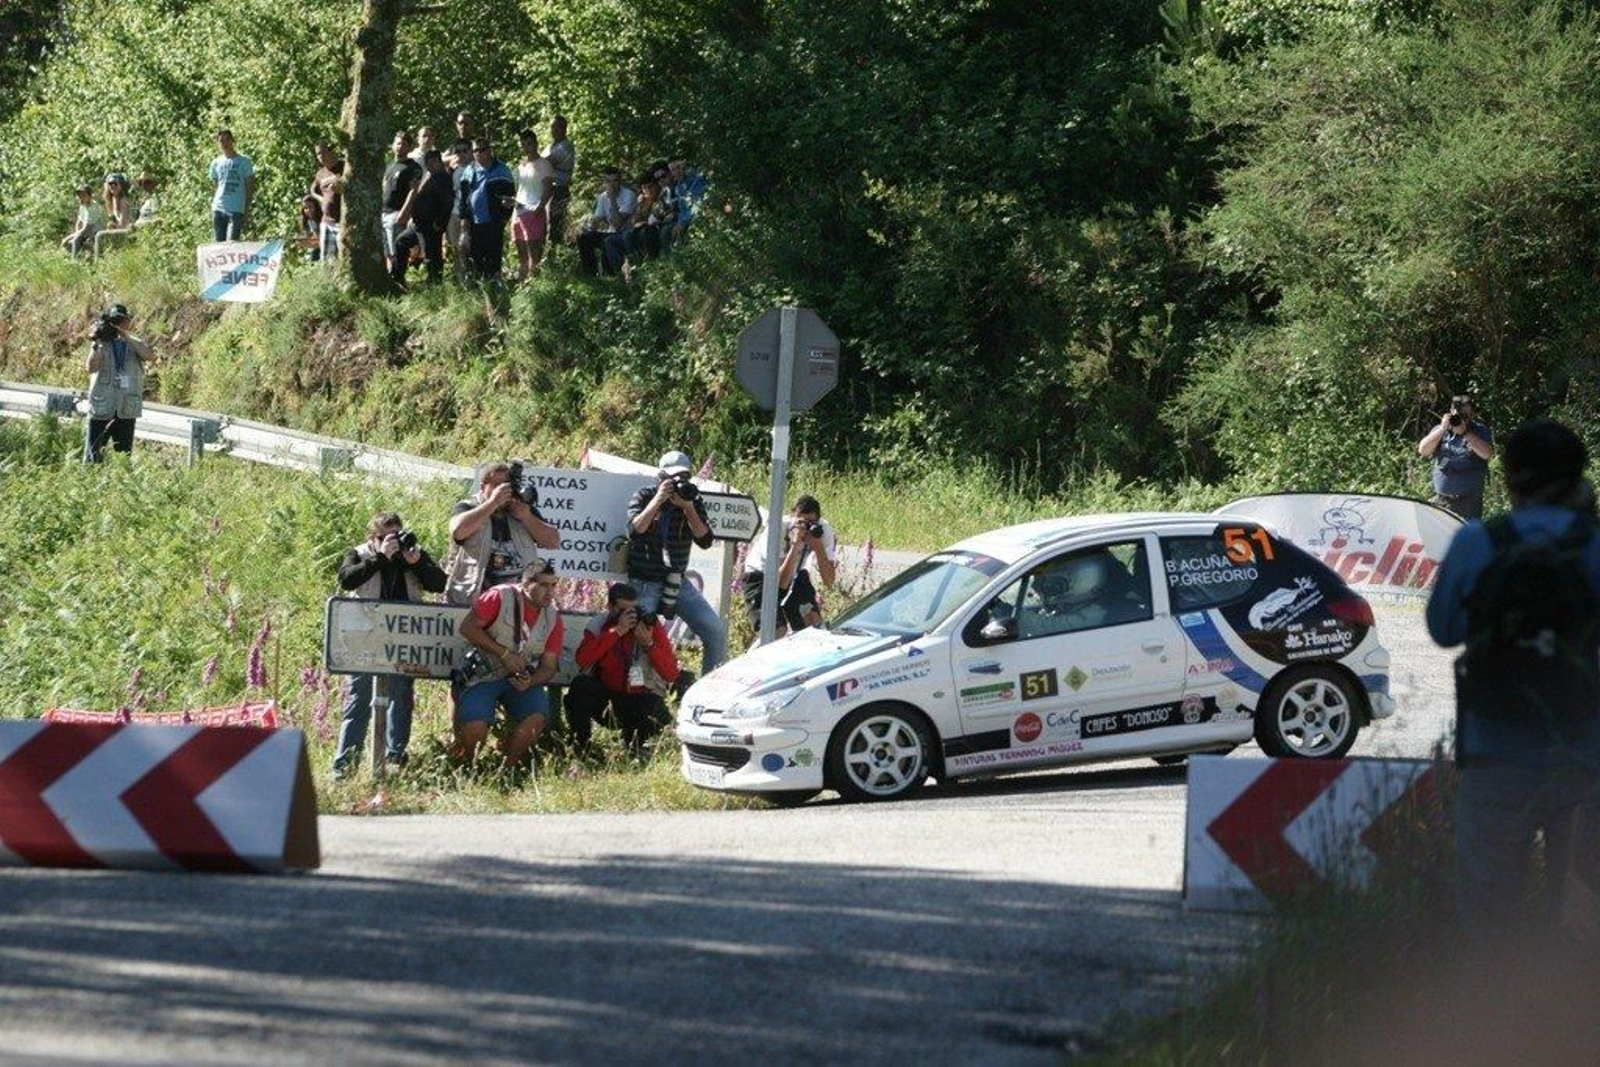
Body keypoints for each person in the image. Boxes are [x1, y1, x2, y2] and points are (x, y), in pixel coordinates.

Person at [1426, 417, 1600, 950]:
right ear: (1577, 479)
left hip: (1493, 755)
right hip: (1583, 759)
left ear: (1509, 479)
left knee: (1490, 922)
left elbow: (1443, 630)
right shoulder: (1594, 546)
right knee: (1581, 918)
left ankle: (1495, 1014)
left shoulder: (1478, 542)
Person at [332, 512, 447, 777]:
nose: (394, 542)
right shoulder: (360, 553)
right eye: (386, 537)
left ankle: (394, 760)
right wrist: (379, 558)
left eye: (396, 535)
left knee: (401, 697)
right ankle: (344, 768)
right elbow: (347, 578)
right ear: (373, 538)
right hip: (364, 637)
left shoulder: (412, 554)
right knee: (358, 700)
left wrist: (417, 563)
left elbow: (439, 583)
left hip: (403, 639)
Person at [455, 560, 564, 774]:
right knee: (475, 725)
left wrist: (530, 681)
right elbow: (467, 628)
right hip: (484, 673)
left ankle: (508, 770)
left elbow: (549, 667)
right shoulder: (500, 596)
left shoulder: (553, 618)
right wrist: (504, 654)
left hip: (520, 680)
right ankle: (470, 770)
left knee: (537, 717)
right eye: (543, 585)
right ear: (526, 584)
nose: (550, 592)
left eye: (554, 585)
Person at [625, 450, 727, 673]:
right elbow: (635, 530)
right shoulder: (644, 495)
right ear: (661, 477)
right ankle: (637, 695)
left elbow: (705, 540)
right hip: (644, 580)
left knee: (716, 632)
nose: (679, 482)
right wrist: (658, 499)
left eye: (684, 477)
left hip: (676, 581)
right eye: (673, 478)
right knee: (640, 640)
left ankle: (709, 693)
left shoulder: (692, 500)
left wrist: (688, 507)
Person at [567, 582, 679, 755]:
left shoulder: (650, 625)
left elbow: (671, 674)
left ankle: (636, 747)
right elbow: (582, 660)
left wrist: (649, 645)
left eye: (634, 609)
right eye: (623, 610)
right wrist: (617, 631)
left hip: (639, 698)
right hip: (608, 698)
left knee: (657, 711)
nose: (630, 615)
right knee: (580, 687)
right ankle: (581, 746)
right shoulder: (600, 624)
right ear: (610, 607)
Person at [443, 462, 561, 606]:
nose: (502, 490)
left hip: (516, 602)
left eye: (506, 485)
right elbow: (458, 531)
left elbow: (553, 541)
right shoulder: (468, 507)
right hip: (472, 599)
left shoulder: (520, 509)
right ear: (482, 487)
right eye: (496, 485)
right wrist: (493, 503)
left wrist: (527, 517)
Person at [742, 495, 839, 640]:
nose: (806, 528)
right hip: (760, 576)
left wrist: (818, 547)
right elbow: (780, 584)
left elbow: (829, 581)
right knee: (775, 632)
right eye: (801, 522)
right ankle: (752, 659)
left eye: (811, 523)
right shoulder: (779, 528)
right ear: (792, 517)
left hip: (794, 573)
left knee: (814, 625)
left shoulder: (822, 531)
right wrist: (795, 546)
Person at [82, 304, 149, 462]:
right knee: (93, 457)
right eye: (115, 321)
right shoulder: (101, 343)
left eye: (122, 320)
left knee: (124, 458)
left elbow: (149, 355)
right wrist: (96, 343)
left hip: (126, 408)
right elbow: (91, 368)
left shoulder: (134, 343)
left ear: (128, 321)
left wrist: (126, 336)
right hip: (102, 408)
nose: (119, 324)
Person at [1418, 393, 1494, 520]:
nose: (1462, 419)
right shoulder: (1441, 430)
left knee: (1466, 539)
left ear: (1471, 413)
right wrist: (1442, 429)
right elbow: (1423, 450)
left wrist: (1465, 433)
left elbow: (1486, 454)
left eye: (1465, 415)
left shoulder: (1479, 430)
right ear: (1451, 412)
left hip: (1468, 504)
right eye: (1459, 415)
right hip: (1441, 501)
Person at [456, 138, 516, 282]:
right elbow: (463, 201)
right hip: (474, 225)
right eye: (475, 150)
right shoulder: (468, 171)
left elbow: (510, 198)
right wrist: (464, 227)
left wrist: (501, 220)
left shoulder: (502, 170)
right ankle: (482, 293)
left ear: (490, 150)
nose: (478, 153)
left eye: (482, 150)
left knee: (493, 261)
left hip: (494, 223)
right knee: (476, 261)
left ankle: (497, 293)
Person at [391, 149, 452, 285]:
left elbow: (447, 203)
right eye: (429, 162)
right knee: (401, 242)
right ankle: (397, 278)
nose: (432, 164)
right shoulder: (428, 176)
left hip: (431, 224)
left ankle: (435, 286)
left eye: (435, 161)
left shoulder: (444, 178)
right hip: (417, 223)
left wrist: (440, 223)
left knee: (431, 255)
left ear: (440, 162)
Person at [511, 128, 554, 281]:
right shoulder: (521, 166)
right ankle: (523, 287)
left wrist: (540, 207)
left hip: (534, 212)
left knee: (534, 254)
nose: (527, 147)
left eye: (529, 143)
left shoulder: (543, 164)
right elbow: (520, 189)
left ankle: (535, 288)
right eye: (523, 144)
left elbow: (549, 189)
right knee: (521, 254)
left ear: (535, 143)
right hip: (518, 212)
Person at [577, 168, 636, 276]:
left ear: (620, 181)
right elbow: (597, 218)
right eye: (608, 181)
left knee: (609, 240)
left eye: (615, 181)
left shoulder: (629, 195)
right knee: (583, 237)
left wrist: (613, 200)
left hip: (625, 233)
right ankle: (590, 274)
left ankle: (618, 273)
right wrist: (589, 226)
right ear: (605, 182)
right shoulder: (604, 196)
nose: (612, 185)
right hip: (610, 232)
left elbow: (617, 224)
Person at [381, 130, 422, 273]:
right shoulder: (389, 166)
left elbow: (414, 191)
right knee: (387, 250)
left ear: (409, 148)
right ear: (393, 146)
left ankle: (399, 278)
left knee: (397, 249)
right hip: (384, 213)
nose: (400, 146)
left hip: (398, 213)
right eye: (398, 143)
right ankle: (390, 277)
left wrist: (404, 212)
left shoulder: (413, 167)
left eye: (404, 144)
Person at [208, 128, 254, 241]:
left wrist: (246, 209)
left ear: (232, 141)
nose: (225, 143)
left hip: (236, 209)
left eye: (227, 140)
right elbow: (215, 186)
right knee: (219, 246)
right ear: (218, 143)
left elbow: (250, 187)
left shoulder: (245, 162)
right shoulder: (216, 163)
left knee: (232, 244)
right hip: (218, 209)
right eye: (221, 141)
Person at [310, 140, 344, 263]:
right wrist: (321, 198)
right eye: (318, 154)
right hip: (327, 222)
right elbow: (312, 190)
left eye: (323, 152)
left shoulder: (344, 167)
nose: (321, 156)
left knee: (344, 258)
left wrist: (341, 189)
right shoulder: (320, 174)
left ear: (331, 151)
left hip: (343, 222)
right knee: (328, 261)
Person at [543, 115, 575, 249]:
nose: (554, 130)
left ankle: (555, 254)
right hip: (548, 189)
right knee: (546, 222)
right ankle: (548, 254)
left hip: (559, 190)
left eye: (557, 127)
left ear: (564, 129)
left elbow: (545, 164)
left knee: (555, 224)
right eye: (552, 127)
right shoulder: (550, 146)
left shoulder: (565, 147)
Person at [92, 173, 133, 256]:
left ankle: (98, 262)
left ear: (121, 185)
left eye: (115, 184)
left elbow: (123, 224)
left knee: (99, 236)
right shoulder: (112, 200)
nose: (112, 186)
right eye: (110, 184)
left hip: (126, 231)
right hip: (117, 230)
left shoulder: (123, 201)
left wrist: (113, 227)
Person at [60, 184, 103, 257]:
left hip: (95, 233)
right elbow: (79, 222)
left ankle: (75, 260)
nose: (81, 197)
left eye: (83, 195)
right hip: (86, 233)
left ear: (89, 195)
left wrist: (69, 237)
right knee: (69, 243)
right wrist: (76, 233)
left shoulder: (93, 207)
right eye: (79, 195)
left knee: (74, 241)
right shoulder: (82, 206)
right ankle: (78, 258)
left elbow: (86, 228)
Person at [297, 195, 324, 261]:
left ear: (316, 206)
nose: (308, 210)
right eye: (305, 208)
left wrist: (308, 243)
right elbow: (315, 237)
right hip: (318, 246)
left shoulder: (322, 219)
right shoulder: (309, 221)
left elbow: (321, 239)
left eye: (310, 207)